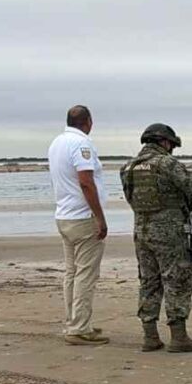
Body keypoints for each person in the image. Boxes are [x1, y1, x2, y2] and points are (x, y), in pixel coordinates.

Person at [121, 123, 192, 352]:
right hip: (170, 233)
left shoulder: (129, 167)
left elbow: (130, 198)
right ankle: (179, 337)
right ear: (165, 142)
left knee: (149, 282)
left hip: (142, 232)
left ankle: (150, 336)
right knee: (176, 280)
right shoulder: (167, 163)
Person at [47, 105, 110, 345]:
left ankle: (75, 321)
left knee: (72, 272)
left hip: (64, 215)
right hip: (82, 217)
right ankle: (79, 327)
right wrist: (100, 217)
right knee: (85, 274)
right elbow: (86, 182)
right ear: (88, 122)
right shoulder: (81, 144)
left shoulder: (57, 143)